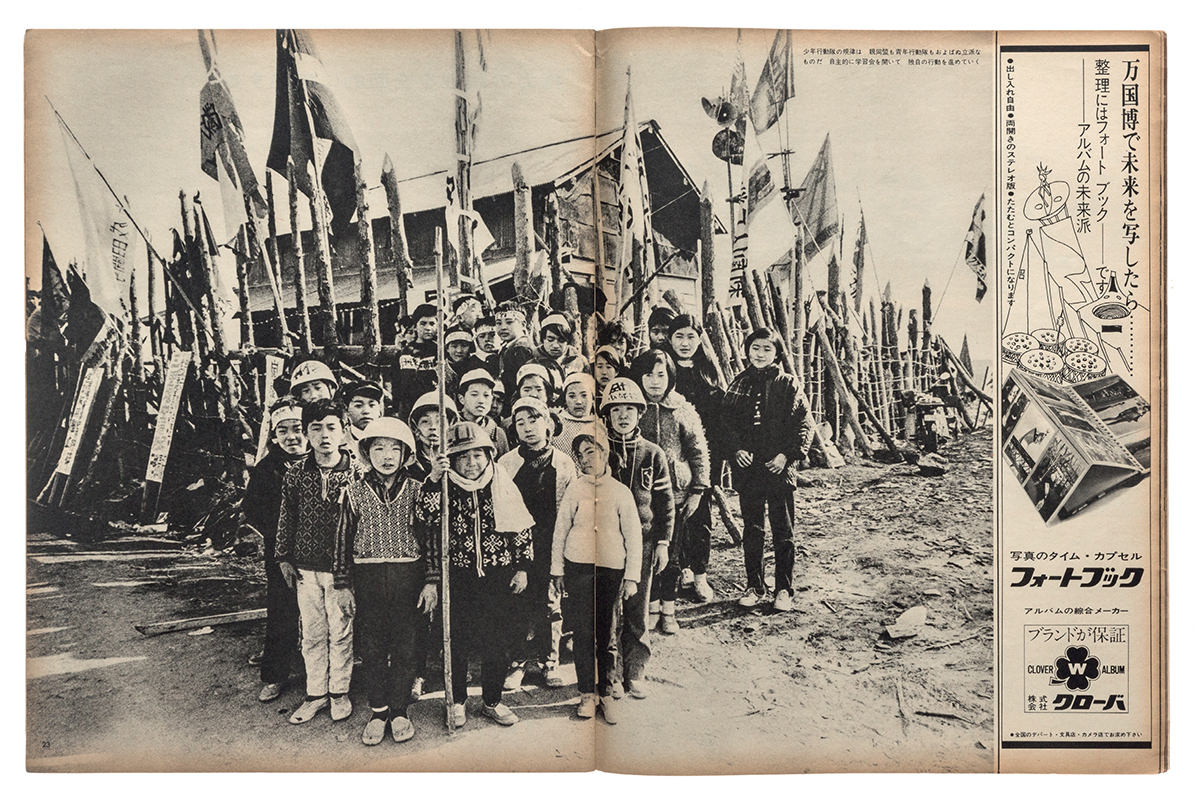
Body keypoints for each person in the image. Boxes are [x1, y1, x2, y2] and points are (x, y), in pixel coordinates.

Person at [415, 421, 534, 728]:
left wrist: (521, 568)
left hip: (497, 576)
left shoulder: (502, 482)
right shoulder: (445, 485)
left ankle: (492, 701)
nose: (471, 463)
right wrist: (433, 478)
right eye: (462, 457)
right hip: (458, 576)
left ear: (489, 456)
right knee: (456, 640)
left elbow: (520, 528)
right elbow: (425, 518)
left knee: (496, 640)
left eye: (478, 455)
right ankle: (456, 702)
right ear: (451, 461)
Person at [338, 418, 437, 745]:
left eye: (395, 448)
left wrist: (432, 581)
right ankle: (378, 710)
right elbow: (341, 540)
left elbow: (432, 537)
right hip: (367, 579)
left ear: (407, 453)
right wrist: (343, 585)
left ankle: (398, 710)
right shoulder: (352, 492)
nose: (387, 455)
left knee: (406, 647)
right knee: (373, 647)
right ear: (366, 452)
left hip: (408, 579)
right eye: (378, 448)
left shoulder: (418, 489)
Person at [275, 398, 359, 725]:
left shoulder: (357, 471)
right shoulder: (295, 474)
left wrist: (353, 570)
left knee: (341, 631)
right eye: (316, 428)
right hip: (304, 569)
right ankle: (316, 693)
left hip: (341, 572)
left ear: (343, 431)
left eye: (331, 427)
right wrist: (283, 556)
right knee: (311, 632)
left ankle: (339, 691)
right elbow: (286, 517)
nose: (324, 435)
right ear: (307, 433)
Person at [551, 430, 640, 723]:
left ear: (605, 453)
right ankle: (586, 694)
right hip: (578, 570)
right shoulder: (575, 490)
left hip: (611, 571)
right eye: (581, 454)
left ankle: (606, 692)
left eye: (592, 451)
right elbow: (560, 530)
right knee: (583, 633)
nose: (586, 459)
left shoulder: (620, 492)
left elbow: (633, 537)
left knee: (607, 632)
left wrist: (631, 577)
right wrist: (558, 570)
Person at [721, 328, 811, 613]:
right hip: (749, 470)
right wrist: (736, 449)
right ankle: (754, 585)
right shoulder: (739, 383)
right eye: (755, 348)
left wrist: (786, 455)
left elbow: (803, 424)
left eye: (767, 349)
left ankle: (783, 588)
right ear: (748, 350)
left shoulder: (788, 384)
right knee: (753, 529)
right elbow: (725, 424)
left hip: (779, 468)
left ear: (776, 353)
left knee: (783, 530)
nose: (760, 354)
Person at [601, 378, 674, 700]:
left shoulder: (652, 454)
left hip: (642, 545)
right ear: (607, 415)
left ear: (640, 413)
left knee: (637, 609)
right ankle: (611, 674)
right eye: (616, 410)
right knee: (608, 611)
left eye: (630, 409)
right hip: (606, 544)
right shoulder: (599, 449)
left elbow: (665, 503)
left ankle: (636, 671)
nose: (623, 416)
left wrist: (662, 543)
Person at [497, 397, 577, 691]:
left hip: (550, 543)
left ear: (548, 424)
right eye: (521, 422)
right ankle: (517, 662)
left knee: (550, 604)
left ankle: (548, 662)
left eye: (534, 420)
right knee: (515, 604)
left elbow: (571, 510)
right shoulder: (506, 463)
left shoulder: (565, 463)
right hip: (516, 546)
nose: (528, 428)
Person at [629, 349, 709, 634]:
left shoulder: (682, 409)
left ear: (671, 377)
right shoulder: (632, 407)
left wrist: (698, 490)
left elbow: (698, 452)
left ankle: (669, 608)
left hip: (676, 494)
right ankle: (650, 606)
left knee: (672, 555)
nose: (654, 381)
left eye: (661, 375)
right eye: (648, 375)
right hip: (641, 495)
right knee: (648, 554)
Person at [243, 398, 308, 703]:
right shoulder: (267, 468)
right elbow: (253, 510)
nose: (292, 437)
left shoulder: (326, 458)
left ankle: (330, 676)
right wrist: (282, 538)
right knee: (282, 611)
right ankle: (275, 675)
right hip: (282, 553)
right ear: (274, 435)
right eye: (284, 431)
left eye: (297, 429)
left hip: (323, 553)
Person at [668, 314, 725, 603]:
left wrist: (710, 472)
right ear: (670, 338)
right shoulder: (663, 372)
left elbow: (719, 425)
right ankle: (681, 572)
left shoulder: (709, 374)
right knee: (673, 519)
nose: (685, 343)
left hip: (702, 460)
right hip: (671, 460)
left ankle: (700, 575)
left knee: (700, 518)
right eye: (679, 336)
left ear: (700, 340)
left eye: (691, 337)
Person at [397, 303, 453, 420]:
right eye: (423, 324)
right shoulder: (407, 351)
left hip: (436, 402)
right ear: (416, 326)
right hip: (411, 404)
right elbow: (402, 382)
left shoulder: (441, 350)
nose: (428, 328)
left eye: (432, 324)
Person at [456, 367, 510, 465]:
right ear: (461, 399)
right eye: (474, 395)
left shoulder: (498, 434)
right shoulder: (450, 428)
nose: (481, 401)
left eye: (486, 395)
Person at [494, 302, 537, 412]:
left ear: (523, 324)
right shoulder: (508, 347)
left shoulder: (521, 349)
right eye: (498, 323)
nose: (503, 327)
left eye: (509, 322)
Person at [553, 372, 598, 473]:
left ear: (592, 398)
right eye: (572, 396)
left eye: (584, 395)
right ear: (565, 399)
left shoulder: (601, 424)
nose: (578, 401)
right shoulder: (556, 424)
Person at [342, 379, 385, 473]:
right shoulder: (339, 442)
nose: (366, 411)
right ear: (347, 411)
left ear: (380, 411)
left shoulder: (390, 440)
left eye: (372, 405)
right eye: (358, 406)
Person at [537, 312, 586, 378]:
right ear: (543, 338)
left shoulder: (579, 361)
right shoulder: (534, 360)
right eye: (550, 339)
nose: (555, 345)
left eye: (561, 340)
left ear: (568, 340)